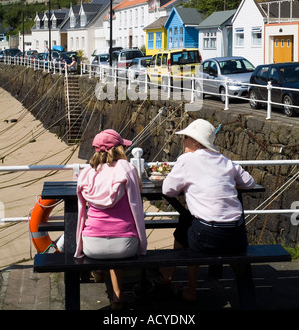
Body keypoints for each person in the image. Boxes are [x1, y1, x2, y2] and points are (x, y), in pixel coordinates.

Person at [162, 118, 256, 303]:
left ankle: (182, 283)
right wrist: (225, 182)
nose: (183, 141)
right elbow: (250, 183)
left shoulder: (187, 159)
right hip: (237, 236)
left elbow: (167, 190)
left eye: (186, 137)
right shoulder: (225, 161)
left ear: (196, 141)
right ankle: (172, 275)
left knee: (187, 224)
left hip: (208, 237)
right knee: (188, 222)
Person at [75, 129, 147, 309]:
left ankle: (101, 274)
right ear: (118, 149)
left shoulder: (87, 172)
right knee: (119, 234)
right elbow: (138, 192)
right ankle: (116, 293)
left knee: (106, 233)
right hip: (125, 246)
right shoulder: (126, 168)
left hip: (92, 245)